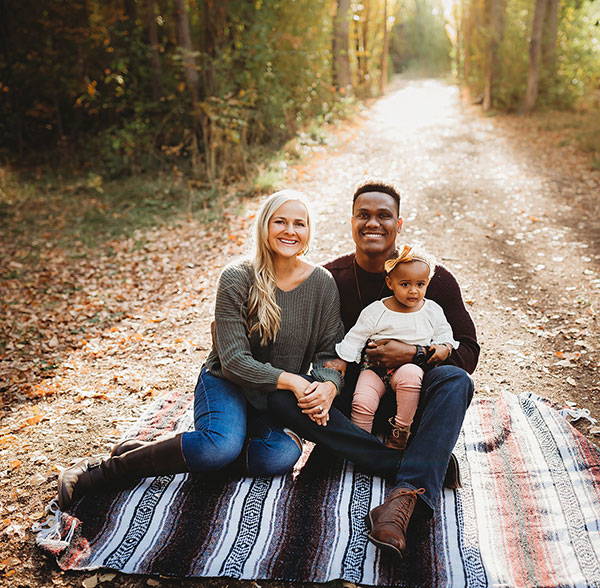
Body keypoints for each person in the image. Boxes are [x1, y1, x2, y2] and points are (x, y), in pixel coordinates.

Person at [57, 189, 344, 510]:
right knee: (218, 448)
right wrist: (292, 380)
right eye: (280, 221)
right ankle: (102, 472)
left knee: (279, 456)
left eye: (299, 224)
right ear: (265, 227)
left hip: (272, 400)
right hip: (226, 382)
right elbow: (234, 361)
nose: (290, 231)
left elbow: (329, 352)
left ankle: (171, 451)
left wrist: (328, 385)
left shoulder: (322, 282)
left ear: (308, 232)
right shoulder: (237, 277)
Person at [268, 180, 478, 557]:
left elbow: (469, 352)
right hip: (355, 399)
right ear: (351, 222)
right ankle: (416, 461)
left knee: (456, 380)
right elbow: (315, 351)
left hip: (412, 404)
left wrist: (413, 354)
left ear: (398, 225)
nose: (373, 224)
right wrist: (326, 385)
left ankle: (402, 501)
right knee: (282, 395)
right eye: (363, 215)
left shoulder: (432, 279)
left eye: (384, 216)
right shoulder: (329, 278)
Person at [334, 244, 459, 450]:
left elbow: (444, 333)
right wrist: (343, 359)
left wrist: (444, 346)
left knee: (411, 377)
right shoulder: (376, 311)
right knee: (362, 401)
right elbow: (356, 336)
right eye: (405, 284)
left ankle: (401, 432)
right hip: (374, 368)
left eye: (420, 284)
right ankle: (359, 443)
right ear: (390, 283)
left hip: (409, 368)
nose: (413, 290)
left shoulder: (431, 311)